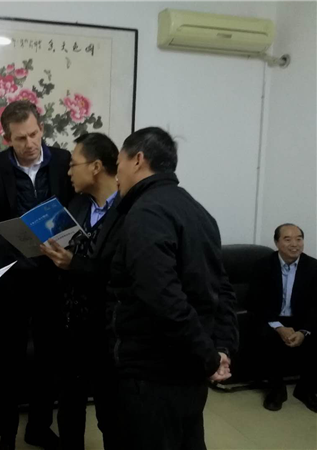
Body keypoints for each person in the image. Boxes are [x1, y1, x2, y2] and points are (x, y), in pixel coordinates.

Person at [108, 127, 239, 450]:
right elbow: (222, 288)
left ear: (138, 159)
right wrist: (220, 348)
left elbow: (164, 298)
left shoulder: (146, 213)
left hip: (153, 372)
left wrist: (210, 356)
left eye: (118, 163)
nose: (116, 174)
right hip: (190, 367)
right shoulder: (198, 211)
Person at [0, 100, 74, 450]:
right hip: (12, 279)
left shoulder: (62, 161)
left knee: (48, 358)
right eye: (20, 138)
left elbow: (75, 211)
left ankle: (39, 428)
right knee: (9, 360)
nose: (30, 144)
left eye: (33, 134)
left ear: (41, 128)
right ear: (7, 139)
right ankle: (7, 433)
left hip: (53, 276)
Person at [39, 133, 120, 450]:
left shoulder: (129, 212)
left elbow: (122, 272)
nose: (69, 172)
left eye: (74, 164)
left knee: (111, 413)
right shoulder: (77, 204)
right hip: (71, 325)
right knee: (69, 407)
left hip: (108, 330)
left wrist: (75, 264)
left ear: (96, 167)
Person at [248, 223, 317, 412]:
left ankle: (305, 389)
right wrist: (278, 327)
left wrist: (303, 332)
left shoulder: (313, 267)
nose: (294, 244)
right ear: (277, 242)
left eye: (299, 239)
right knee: (264, 335)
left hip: (301, 320)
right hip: (272, 318)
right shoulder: (263, 265)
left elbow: (315, 306)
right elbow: (255, 301)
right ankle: (276, 390)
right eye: (288, 239)